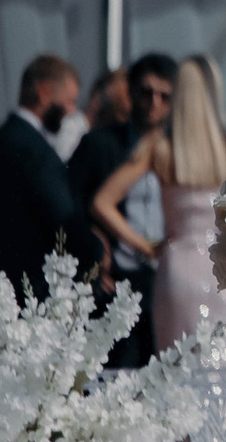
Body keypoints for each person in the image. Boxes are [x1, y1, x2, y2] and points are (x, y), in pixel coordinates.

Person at [94, 54, 226, 353]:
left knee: (174, 370)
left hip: (176, 266)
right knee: (222, 368)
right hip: (222, 268)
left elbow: (103, 202)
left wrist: (145, 246)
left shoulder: (159, 148)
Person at [70, 55, 170, 366]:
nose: (154, 103)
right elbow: (72, 208)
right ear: (130, 92)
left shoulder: (182, 149)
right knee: (120, 371)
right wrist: (94, 254)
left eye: (164, 96)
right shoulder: (99, 144)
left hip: (167, 276)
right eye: (146, 92)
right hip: (118, 275)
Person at [0, 54, 101, 299]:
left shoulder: (7, 137)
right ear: (44, 92)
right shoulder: (35, 152)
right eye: (69, 101)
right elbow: (63, 217)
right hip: (30, 287)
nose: (72, 110)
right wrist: (96, 252)